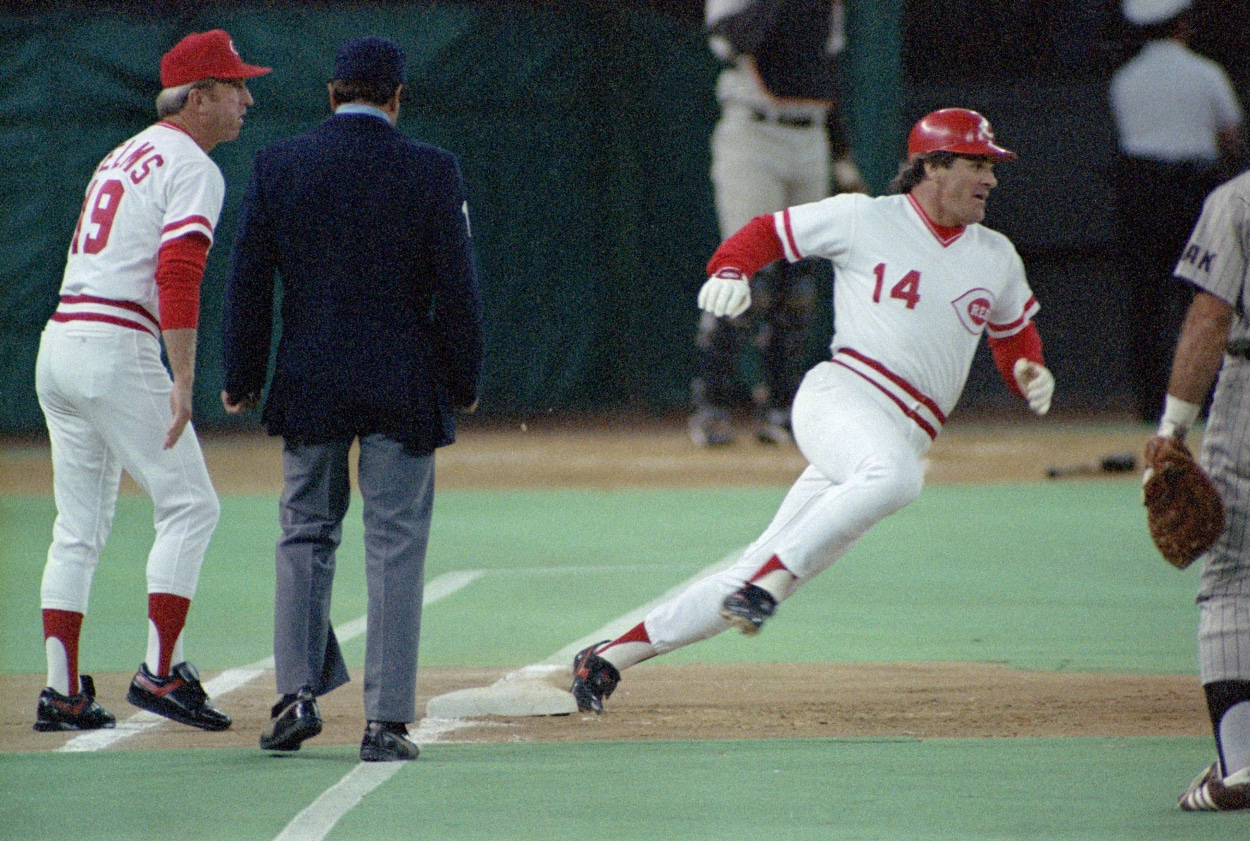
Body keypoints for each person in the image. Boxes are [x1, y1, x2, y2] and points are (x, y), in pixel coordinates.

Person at [572, 108, 1054, 713]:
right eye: (977, 163)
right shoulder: (864, 216)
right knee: (896, 480)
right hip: (844, 398)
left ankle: (608, 657)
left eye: (992, 165)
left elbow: (1013, 337)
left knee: (748, 573)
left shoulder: (997, 255)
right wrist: (729, 269)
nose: (991, 178)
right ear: (932, 166)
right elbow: (764, 232)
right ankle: (770, 584)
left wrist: (1027, 369)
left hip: (898, 433)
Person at [221, 36, 484, 762]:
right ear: (397, 97)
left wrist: (241, 376)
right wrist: (463, 379)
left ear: (331, 92)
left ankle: (296, 696)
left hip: (310, 379)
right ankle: (386, 721)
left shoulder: (281, 164)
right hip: (404, 382)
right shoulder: (433, 170)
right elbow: (458, 291)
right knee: (395, 546)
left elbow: (249, 283)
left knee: (305, 533)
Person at [31, 30, 269, 734]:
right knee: (191, 504)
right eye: (235, 87)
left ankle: (61, 690)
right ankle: (161, 670)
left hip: (61, 344)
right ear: (199, 98)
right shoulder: (191, 164)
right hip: (114, 345)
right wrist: (184, 373)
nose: (248, 98)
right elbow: (178, 271)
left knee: (76, 527)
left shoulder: (123, 152)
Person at [689, 0, 868, 448]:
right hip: (753, 135)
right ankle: (711, 403)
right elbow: (737, 40)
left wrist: (842, 156)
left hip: (809, 136)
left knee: (799, 281)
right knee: (747, 274)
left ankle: (781, 407)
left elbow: (824, 74)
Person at [1150, 170, 1250, 811]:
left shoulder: (1238, 199)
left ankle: (1241, 764)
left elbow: (1211, 315)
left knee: (1235, 573)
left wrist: (1171, 430)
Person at [1109, 0, 1243, 421]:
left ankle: (1152, 405)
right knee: (1208, 295)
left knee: (1147, 300)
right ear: (1182, 26)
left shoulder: (1124, 79)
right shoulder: (1206, 73)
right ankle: (1205, 401)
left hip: (1141, 190)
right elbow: (1231, 136)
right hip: (1195, 190)